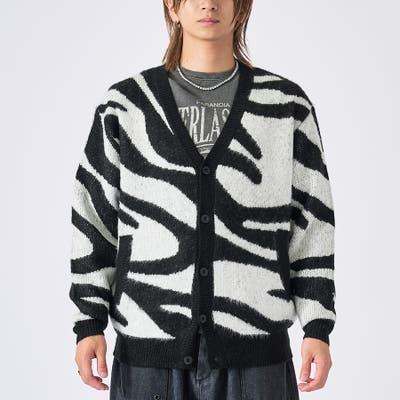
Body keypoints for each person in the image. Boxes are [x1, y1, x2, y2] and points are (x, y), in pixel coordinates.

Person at [69, 1, 336, 399]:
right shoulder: (126, 105)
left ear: (241, 6)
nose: (208, 3)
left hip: (256, 354)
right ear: (171, 6)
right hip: (149, 356)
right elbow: (94, 217)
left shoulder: (285, 105)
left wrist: (317, 326)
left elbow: (312, 222)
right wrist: (89, 322)